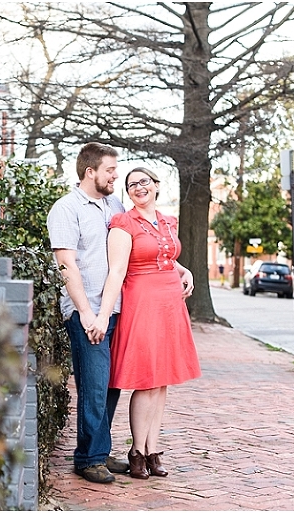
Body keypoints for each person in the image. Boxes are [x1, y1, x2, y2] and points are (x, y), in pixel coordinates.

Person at [91, 166, 201, 480]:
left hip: (170, 303)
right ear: (128, 193)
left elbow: (164, 255)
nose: (139, 188)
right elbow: (117, 270)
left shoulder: (167, 220)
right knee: (146, 379)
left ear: (155, 185)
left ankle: (154, 450)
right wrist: (102, 313)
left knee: (162, 379)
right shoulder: (123, 223)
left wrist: (184, 270)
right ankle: (137, 451)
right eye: (131, 185)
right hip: (142, 302)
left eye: (144, 182)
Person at [46, 142, 129, 484]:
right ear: (90, 171)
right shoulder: (66, 209)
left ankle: (100, 447)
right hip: (88, 313)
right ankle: (88, 458)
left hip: (117, 309)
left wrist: (180, 268)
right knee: (93, 385)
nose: (116, 175)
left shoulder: (114, 205)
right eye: (110, 169)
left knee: (111, 386)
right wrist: (85, 312)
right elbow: (67, 265)